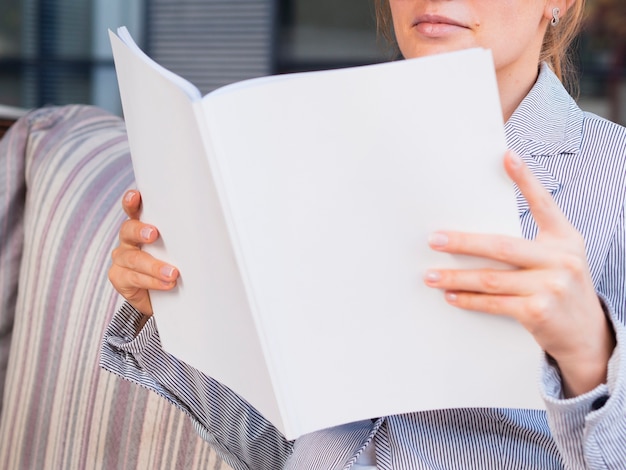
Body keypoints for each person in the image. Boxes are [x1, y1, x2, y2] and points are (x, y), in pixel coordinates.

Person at [104, 0, 626, 468]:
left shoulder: (614, 178)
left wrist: (589, 356)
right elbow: (278, 447)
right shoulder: (312, 160)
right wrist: (177, 312)